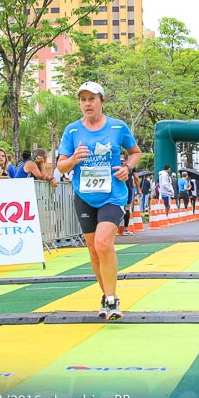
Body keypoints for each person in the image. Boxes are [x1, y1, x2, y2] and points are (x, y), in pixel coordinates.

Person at [56, 81, 141, 322]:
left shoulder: (117, 127)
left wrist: (128, 167)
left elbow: (135, 152)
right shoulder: (72, 131)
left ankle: (113, 299)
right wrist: (73, 159)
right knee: (93, 250)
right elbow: (61, 165)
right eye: (82, 100)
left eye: (91, 99)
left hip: (113, 195)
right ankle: (106, 295)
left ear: (102, 101)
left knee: (104, 243)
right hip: (84, 196)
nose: (87, 104)